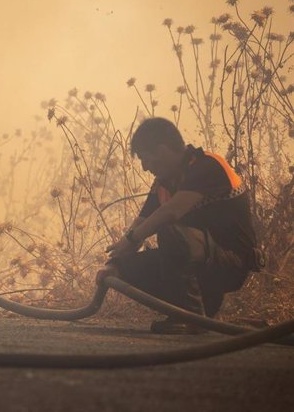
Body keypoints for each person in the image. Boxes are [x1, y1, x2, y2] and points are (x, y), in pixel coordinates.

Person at [97, 117, 264, 334]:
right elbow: (140, 226)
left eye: (146, 159)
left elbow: (170, 212)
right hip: (197, 261)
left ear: (163, 151)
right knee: (124, 268)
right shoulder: (164, 184)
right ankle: (198, 312)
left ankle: (191, 316)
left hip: (231, 263)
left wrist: (132, 239)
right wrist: (113, 265)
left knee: (170, 232)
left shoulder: (208, 166)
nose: (145, 168)